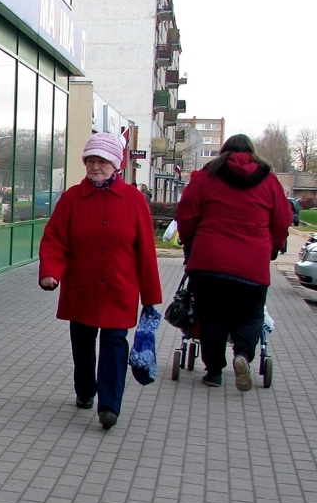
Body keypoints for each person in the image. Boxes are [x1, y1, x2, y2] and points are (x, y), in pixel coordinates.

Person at [39, 133, 162, 430]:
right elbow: (55, 239)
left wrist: (150, 296)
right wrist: (51, 271)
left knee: (114, 343)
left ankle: (109, 405)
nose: (95, 167)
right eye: (90, 161)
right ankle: (85, 390)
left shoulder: (133, 200)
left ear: (115, 164)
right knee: (82, 344)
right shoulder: (72, 198)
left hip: (120, 287)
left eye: (102, 161)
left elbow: (145, 248)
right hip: (82, 286)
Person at [175, 134, 291, 391]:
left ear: (223, 152)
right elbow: (282, 219)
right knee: (250, 316)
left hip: (209, 260)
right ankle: (242, 356)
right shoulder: (269, 181)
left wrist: (190, 243)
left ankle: (214, 371)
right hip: (252, 264)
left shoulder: (206, 177)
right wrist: (273, 246)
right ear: (253, 152)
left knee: (211, 315)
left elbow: (186, 213)